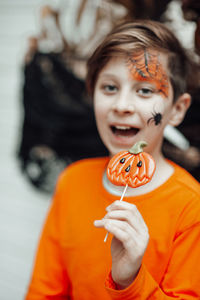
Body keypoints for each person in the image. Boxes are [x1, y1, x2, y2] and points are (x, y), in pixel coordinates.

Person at [25, 20, 200, 299]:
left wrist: (130, 279)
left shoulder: (192, 208)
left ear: (177, 110)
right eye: (109, 87)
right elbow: (44, 290)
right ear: (92, 95)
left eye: (145, 90)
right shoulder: (71, 182)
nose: (121, 105)